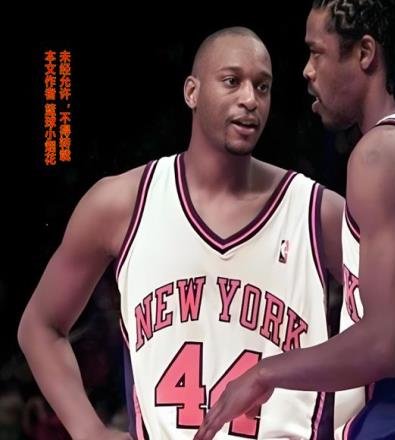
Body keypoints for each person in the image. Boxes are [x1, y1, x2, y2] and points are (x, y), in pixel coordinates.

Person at [18, 27, 345, 440]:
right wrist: (88, 430)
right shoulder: (121, 204)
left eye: (262, 86)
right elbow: (40, 326)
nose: (250, 99)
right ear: (192, 92)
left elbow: (390, 336)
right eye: (232, 81)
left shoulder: (317, 212)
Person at [194, 2, 395, 440]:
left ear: (365, 53)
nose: (307, 71)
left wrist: (264, 373)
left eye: (316, 52)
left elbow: (388, 344)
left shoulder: (382, 154)